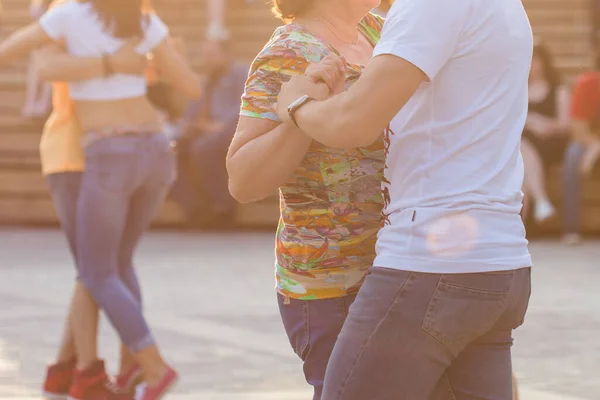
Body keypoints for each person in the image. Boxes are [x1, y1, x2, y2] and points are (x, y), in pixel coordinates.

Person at [274, 0, 532, 398]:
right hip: (500, 263)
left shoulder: (428, 6)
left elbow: (353, 123)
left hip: (430, 264)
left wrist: (297, 105)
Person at [0, 0, 201, 398]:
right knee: (116, 263)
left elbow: (11, 52)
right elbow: (191, 86)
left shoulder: (70, 14)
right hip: (157, 150)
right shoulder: (144, 20)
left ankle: (152, 366)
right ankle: (119, 371)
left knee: (96, 271)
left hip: (110, 151)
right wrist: (135, 63)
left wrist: (95, 59)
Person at [227, 0, 384, 396]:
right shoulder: (288, 52)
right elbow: (242, 179)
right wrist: (304, 113)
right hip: (333, 285)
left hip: (397, 268)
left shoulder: (381, 32)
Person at [34, 39, 149, 398]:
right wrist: (113, 62)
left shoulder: (127, 15)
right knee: (98, 269)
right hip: (74, 153)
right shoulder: (70, 13)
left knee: (100, 267)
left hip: (108, 152)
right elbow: (46, 64)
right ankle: (90, 372)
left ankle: (68, 367)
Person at [170, 38, 247, 228]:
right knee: (168, 152)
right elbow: (193, 112)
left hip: (233, 130)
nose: (208, 60)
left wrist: (221, 125)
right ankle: (195, 207)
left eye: (212, 55)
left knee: (204, 148)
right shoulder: (207, 81)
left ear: (227, 54)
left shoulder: (240, 74)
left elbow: (245, 104)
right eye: (205, 56)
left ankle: (224, 206)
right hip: (204, 132)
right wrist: (187, 126)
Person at [521, 42, 570, 223]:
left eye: (536, 60)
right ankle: (540, 203)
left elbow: (565, 125)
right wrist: (529, 122)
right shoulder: (519, 89)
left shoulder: (558, 89)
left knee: (520, 154)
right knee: (520, 155)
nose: (533, 65)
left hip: (550, 144)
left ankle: (539, 203)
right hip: (525, 144)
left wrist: (544, 124)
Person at [562, 50, 600, 245]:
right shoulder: (586, 83)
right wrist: (594, 146)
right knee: (572, 157)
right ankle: (571, 229)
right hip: (587, 141)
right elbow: (577, 128)